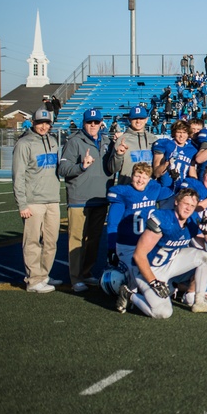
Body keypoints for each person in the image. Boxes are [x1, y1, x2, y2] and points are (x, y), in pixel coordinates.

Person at [120, 189, 207, 317]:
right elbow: (138, 255)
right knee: (163, 313)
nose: (188, 208)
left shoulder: (192, 220)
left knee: (206, 257)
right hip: (148, 269)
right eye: (185, 203)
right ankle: (129, 295)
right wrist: (153, 281)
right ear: (176, 202)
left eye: (192, 205)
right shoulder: (164, 219)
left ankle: (199, 301)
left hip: (169, 263)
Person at [58, 108, 116, 292]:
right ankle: (76, 278)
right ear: (83, 123)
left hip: (100, 197)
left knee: (93, 239)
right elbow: (63, 169)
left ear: (101, 124)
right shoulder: (74, 142)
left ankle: (87, 271)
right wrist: (81, 167)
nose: (93, 125)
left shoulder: (107, 141)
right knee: (77, 240)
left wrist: (119, 152)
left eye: (96, 122)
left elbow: (113, 166)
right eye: (90, 122)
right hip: (79, 198)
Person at [12, 107, 61, 293]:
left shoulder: (54, 141)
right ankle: (33, 280)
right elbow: (18, 176)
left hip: (52, 199)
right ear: (33, 122)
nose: (43, 126)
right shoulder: (24, 144)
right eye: (40, 122)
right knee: (32, 241)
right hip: (33, 201)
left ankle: (44, 275)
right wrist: (22, 204)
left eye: (46, 123)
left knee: (51, 242)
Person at [104, 105, 155, 185]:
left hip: (149, 191)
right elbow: (112, 169)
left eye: (141, 118)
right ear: (129, 119)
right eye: (135, 118)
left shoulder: (154, 140)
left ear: (146, 119)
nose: (138, 121)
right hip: (127, 188)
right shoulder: (122, 140)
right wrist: (118, 155)